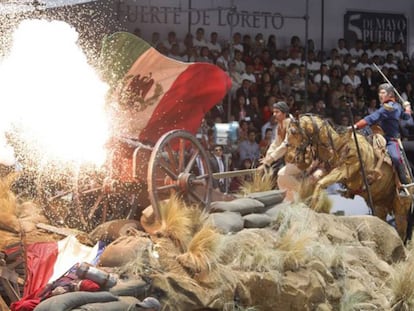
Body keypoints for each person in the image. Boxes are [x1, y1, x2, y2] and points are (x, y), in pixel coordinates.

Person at [351, 83, 412, 196]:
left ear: (389, 94)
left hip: (390, 140)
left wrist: (356, 126)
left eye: (383, 92)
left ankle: (403, 185)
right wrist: (407, 108)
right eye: (379, 92)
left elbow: (372, 117)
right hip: (378, 136)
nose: (380, 95)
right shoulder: (394, 106)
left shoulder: (391, 107)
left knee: (396, 157)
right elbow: (406, 115)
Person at [259, 101, 302, 202]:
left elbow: (285, 145)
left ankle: (304, 194)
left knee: (282, 174)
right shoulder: (280, 126)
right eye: (273, 112)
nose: (274, 114)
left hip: (302, 159)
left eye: (277, 112)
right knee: (280, 180)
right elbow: (275, 144)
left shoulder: (293, 125)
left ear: (284, 113)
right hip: (290, 160)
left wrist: (270, 160)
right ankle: (290, 202)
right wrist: (266, 158)